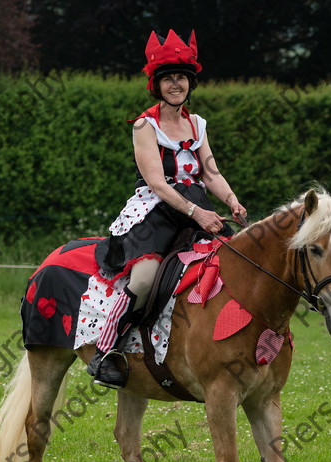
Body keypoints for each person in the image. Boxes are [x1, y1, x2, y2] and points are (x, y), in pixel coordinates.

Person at [89, 29, 247, 389]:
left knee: (233, 269)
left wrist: (232, 201)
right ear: (156, 84)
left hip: (199, 207)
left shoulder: (197, 124)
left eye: (181, 78)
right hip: (156, 213)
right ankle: (106, 350)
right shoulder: (145, 125)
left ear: (190, 82)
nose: (175, 84)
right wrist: (197, 214)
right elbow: (158, 184)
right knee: (144, 280)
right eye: (168, 79)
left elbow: (210, 172)